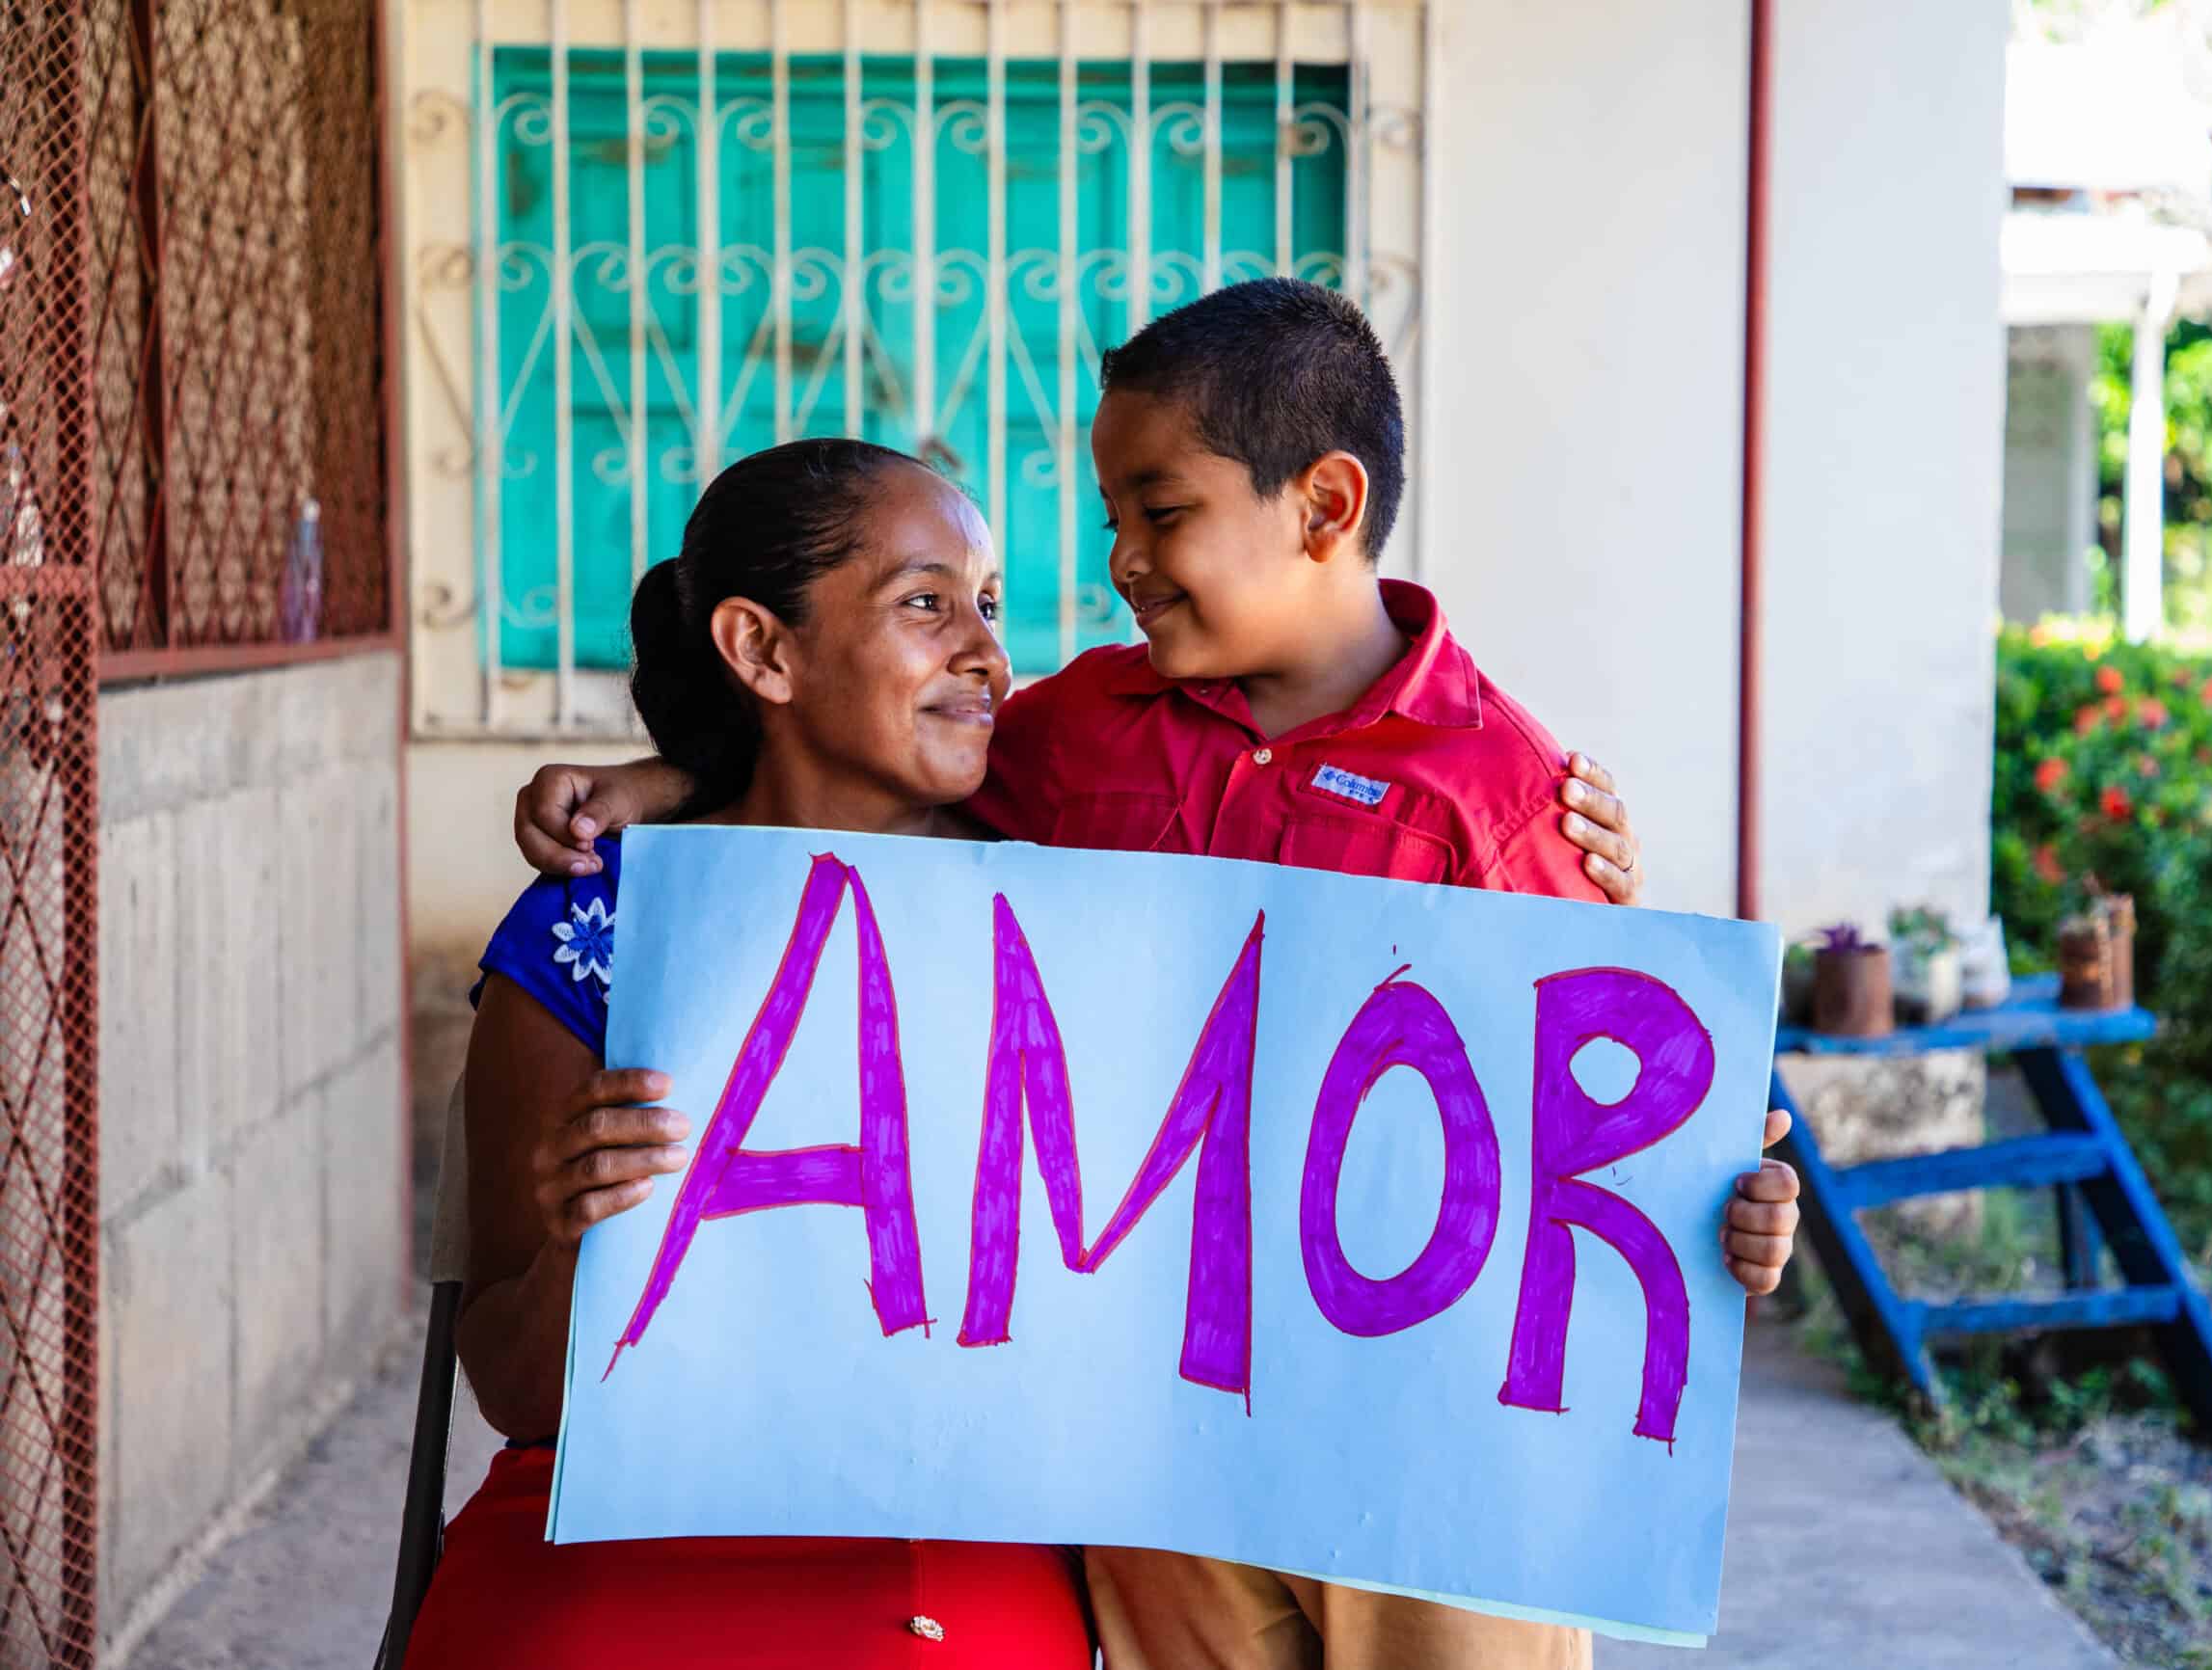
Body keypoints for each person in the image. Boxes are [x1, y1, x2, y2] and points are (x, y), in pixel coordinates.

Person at [511, 278, 1803, 1670]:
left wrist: (1720, 1213)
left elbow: (1601, 1131)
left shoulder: (1505, 793)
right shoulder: (1079, 734)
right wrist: (671, 782)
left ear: (1324, 506)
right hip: (1162, 1458)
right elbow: (866, 769)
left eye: (1161, 511)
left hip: (1437, 1468)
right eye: (1115, 515)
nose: (1121, 557)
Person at [407, 440, 1094, 1669]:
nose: (991, 654)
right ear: (761, 650)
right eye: (926, 603)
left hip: (941, 1520)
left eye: (988, 606)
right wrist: (588, 1245)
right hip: (617, 1510)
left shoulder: (1069, 900)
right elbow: (517, 1391)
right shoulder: (598, 926)